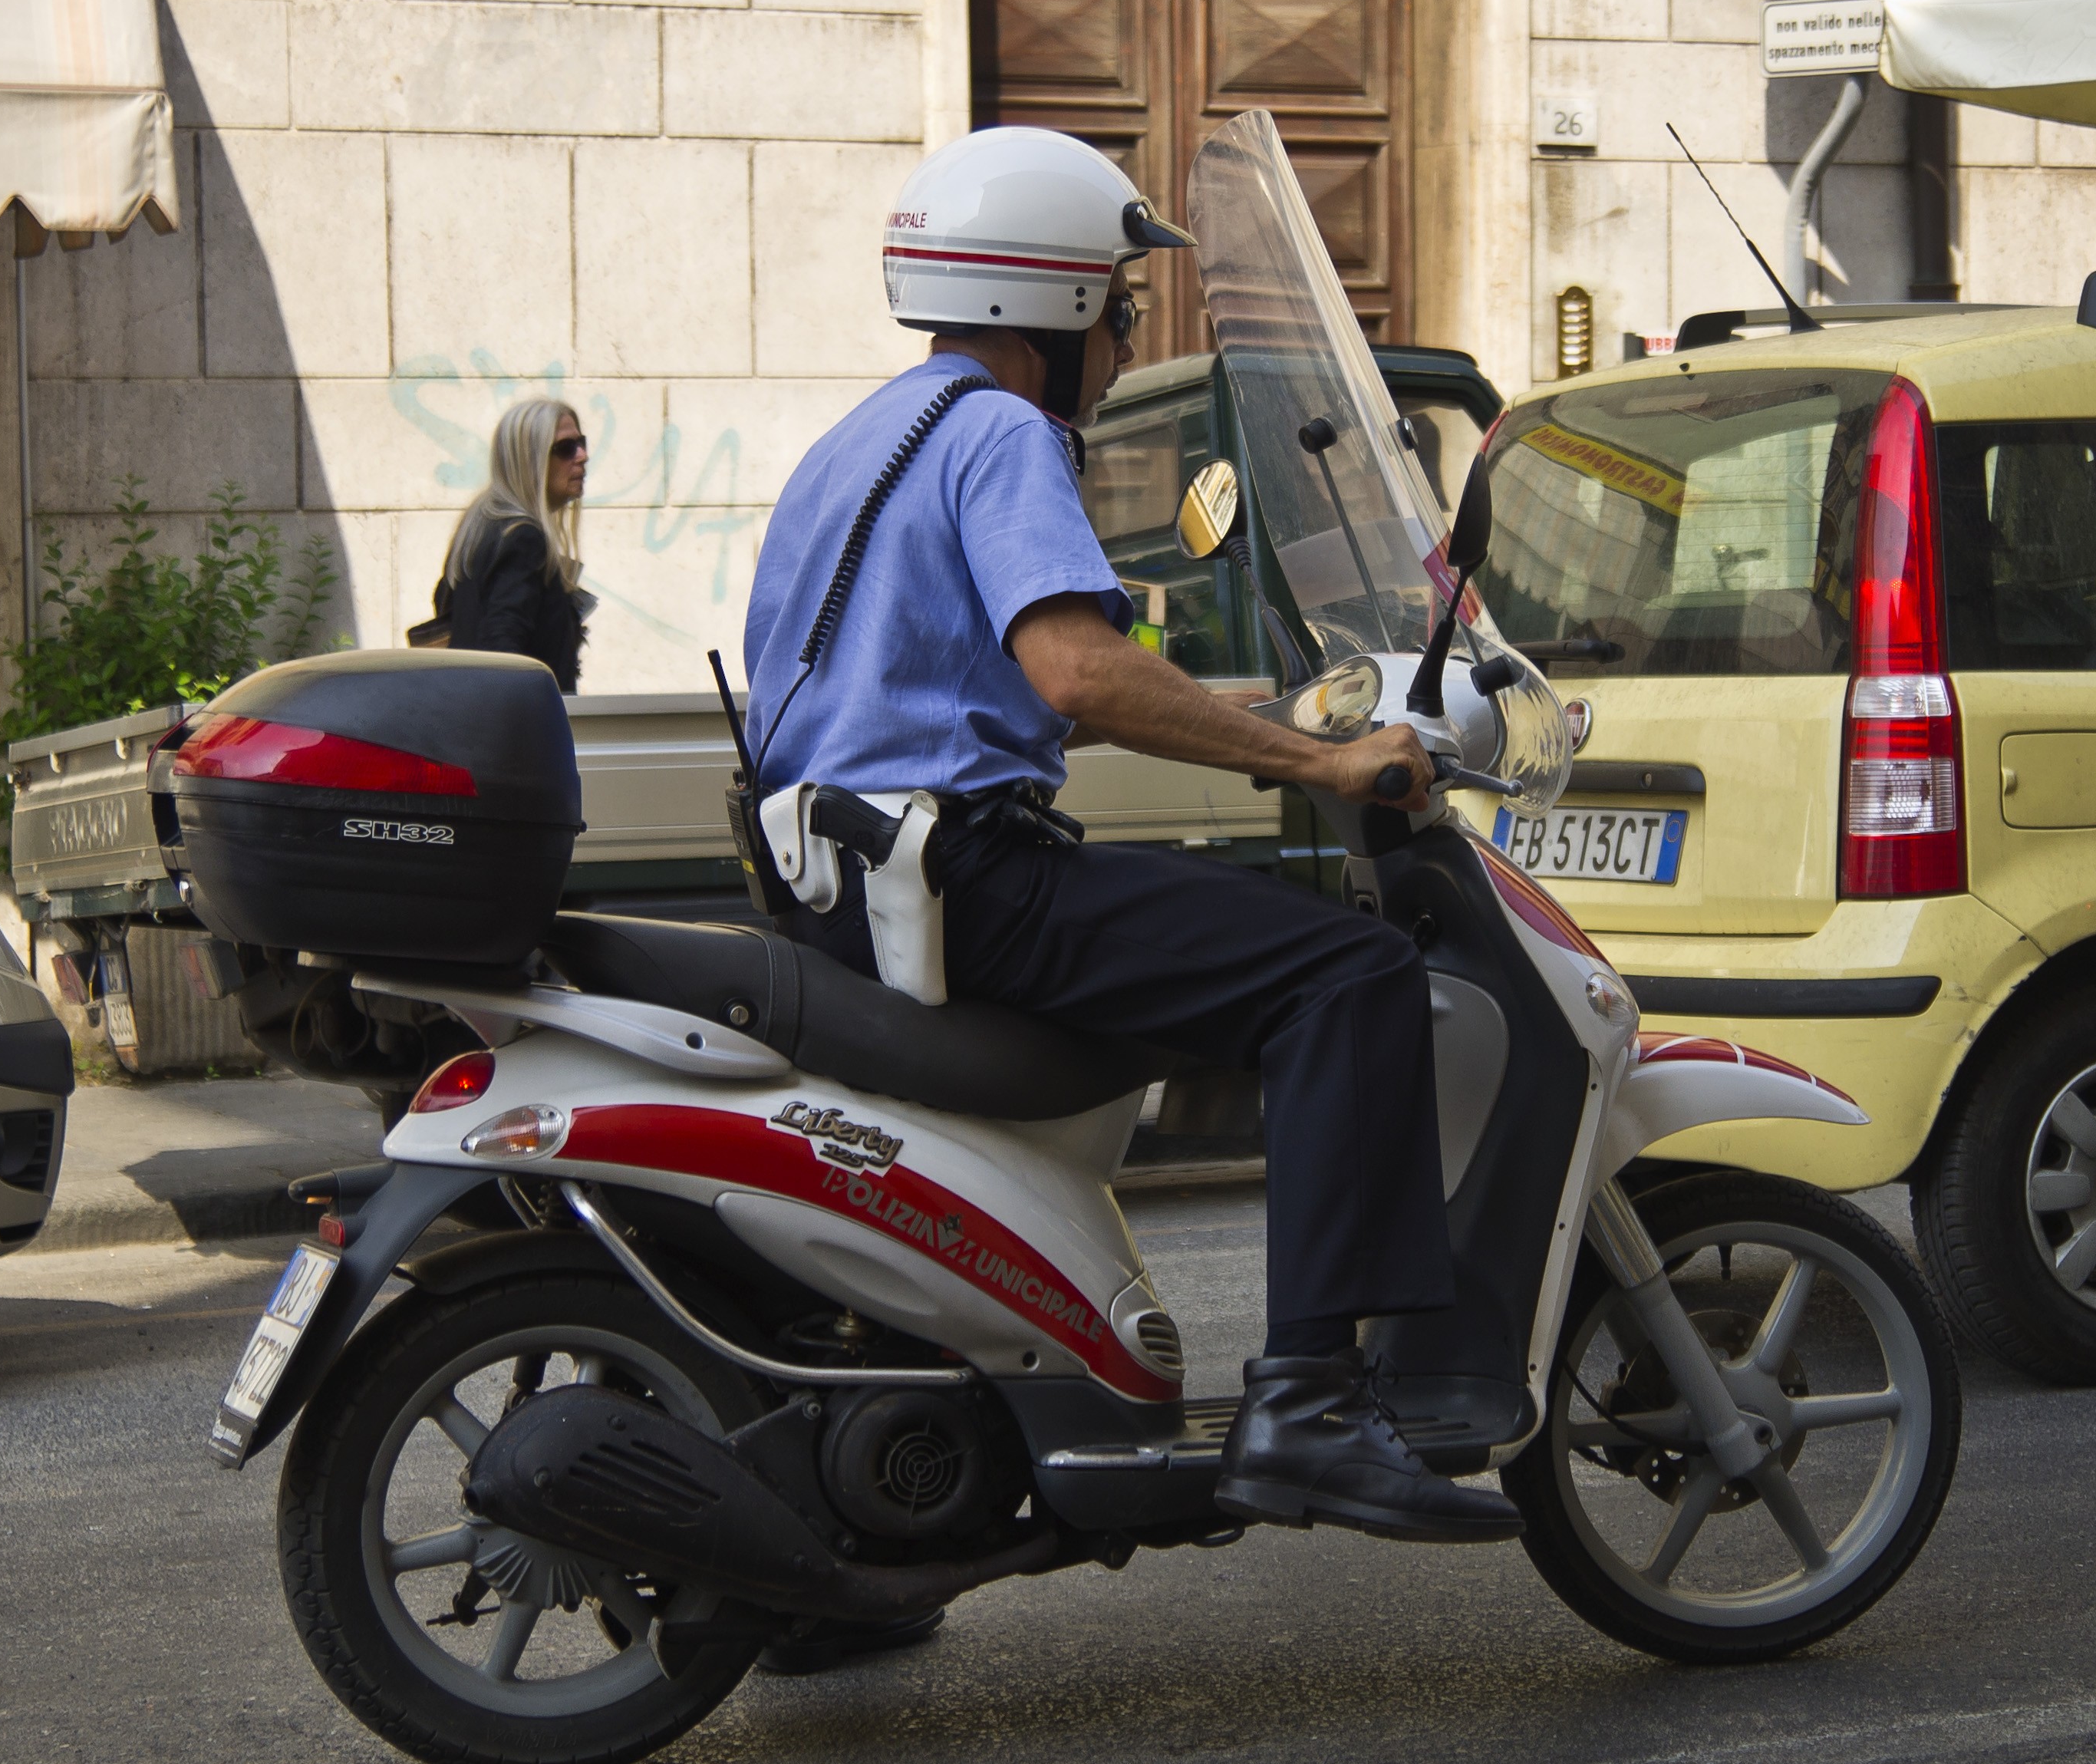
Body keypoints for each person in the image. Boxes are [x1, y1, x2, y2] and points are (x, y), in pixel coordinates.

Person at [742, 125, 1520, 1581]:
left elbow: (966, 689)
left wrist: (1271, 713)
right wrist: (1325, 761)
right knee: (1344, 975)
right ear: (1058, 309)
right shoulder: (1003, 434)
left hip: (851, 881)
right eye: (1118, 307)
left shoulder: (867, 436)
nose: (1120, 343)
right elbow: (1075, 674)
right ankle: (1306, 1399)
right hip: (968, 882)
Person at [437, 399, 593, 688]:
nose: (582, 456)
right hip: (519, 728)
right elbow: (502, 653)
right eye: (565, 448)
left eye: (581, 443)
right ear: (529, 459)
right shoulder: (524, 539)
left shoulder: (480, 528)